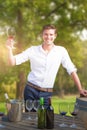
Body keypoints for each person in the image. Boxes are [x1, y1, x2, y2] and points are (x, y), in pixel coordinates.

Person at [6, 24, 87, 108]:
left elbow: (71, 70)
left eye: (51, 34)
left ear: (55, 36)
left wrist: (80, 89)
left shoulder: (61, 51)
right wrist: (9, 49)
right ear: (42, 35)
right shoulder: (33, 50)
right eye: (46, 34)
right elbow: (12, 62)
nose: (48, 37)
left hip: (46, 94)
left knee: (45, 119)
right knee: (30, 119)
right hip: (31, 90)